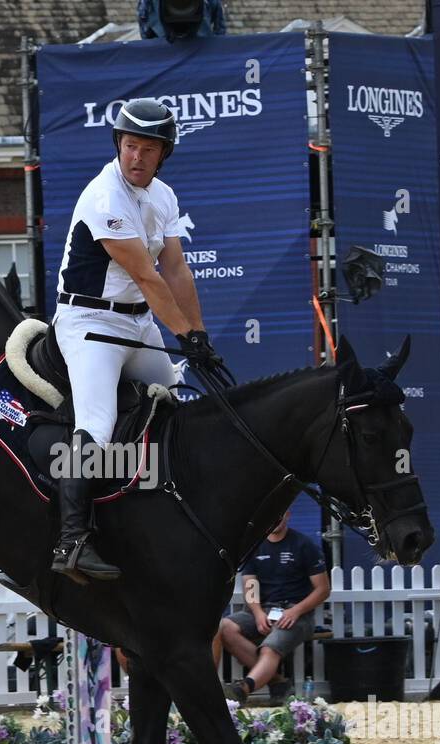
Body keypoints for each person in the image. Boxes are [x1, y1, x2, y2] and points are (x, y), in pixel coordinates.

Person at [50, 97, 210, 583]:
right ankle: (72, 542)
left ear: (165, 153)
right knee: (96, 423)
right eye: (129, 145)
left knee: (179, 401)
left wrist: (199, 335)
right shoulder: (105, 195)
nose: (136, 156)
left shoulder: (163, 196)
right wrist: (183, 332)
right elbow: (146, 275)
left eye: (147, 148)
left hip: (138, 324)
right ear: (118, 145)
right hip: (90, 324)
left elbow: (177, 270)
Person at [219, 510, 331, 705]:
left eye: (280, 515)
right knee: (224, 627)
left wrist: (295, 611)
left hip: (297, 613)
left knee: (270, 647)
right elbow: (250, 587)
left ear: (287, 515)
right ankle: (278, 683)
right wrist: (257, 612)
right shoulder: (255, 546)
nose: (275, 520)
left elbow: (322, 590)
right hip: (263, 610)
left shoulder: (304, 545)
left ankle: (243, 689)